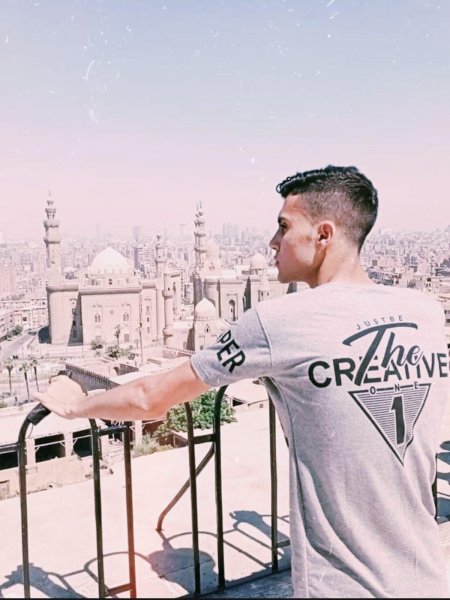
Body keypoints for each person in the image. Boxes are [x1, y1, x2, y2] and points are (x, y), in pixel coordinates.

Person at [34, 165, 450, 598]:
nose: (273, 242)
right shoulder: (424, 311)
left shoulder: (278, 322)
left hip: (344, 588)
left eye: (284, 227)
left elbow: (148, 398)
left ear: (323, 235)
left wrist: (76, 405)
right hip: (427, 580)